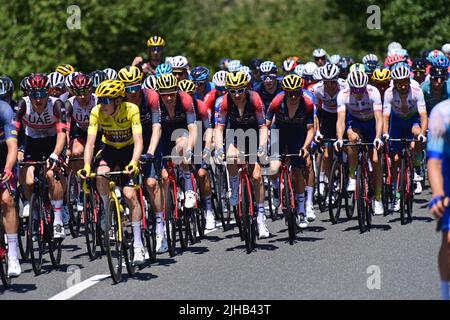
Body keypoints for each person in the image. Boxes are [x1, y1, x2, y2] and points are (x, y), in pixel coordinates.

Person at [78, 79, 145, 265]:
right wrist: (86, 166)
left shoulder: (131, 109)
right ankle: (107, 209)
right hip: (109, 149)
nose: (102, 104)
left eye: (106, 100)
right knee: (100, 175)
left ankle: (138, 244)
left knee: (130, 194)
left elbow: (139, 140)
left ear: (117, 100)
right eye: (100, 100)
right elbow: (90, 142)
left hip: (128, 151)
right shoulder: (96, 112)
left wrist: (133, 162)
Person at [214, 71, 270, 238]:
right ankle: (234, 185)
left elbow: (263, 127)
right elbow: (219, 129)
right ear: (228, 90)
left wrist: (262, 147)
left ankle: (260, 218)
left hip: (253, 131)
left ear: (246, 88)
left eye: (240, 90)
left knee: (257, 176)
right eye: (233, 90)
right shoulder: (224, 101)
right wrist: (218, 149)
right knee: (231, 156)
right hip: (234, 132)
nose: (237, 94)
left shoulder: (255, 99)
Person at [16, 73, 68, 238]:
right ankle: (35, 213)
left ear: (48, 92)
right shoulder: (23, 105)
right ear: (29, 94)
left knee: (52, 174)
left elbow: (62, 134)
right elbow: (15, 133)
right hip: (31, 141)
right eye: (34, 95)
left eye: (42, 94)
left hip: (53, 141)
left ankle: (58, 219)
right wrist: (17, 151)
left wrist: (55, 154)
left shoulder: (56, 105)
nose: (38, 100)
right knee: (29, 179)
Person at [266, 74, 315, 228]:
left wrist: (305, 147)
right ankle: (275, 190)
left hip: (297, 135)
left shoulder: (307, 104)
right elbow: (265, 125)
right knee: (273, 168)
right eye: (290, 93)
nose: (293, 96)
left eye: (296, 93)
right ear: (285, 93)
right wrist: (267, 142)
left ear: (301, 92)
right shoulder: (276, 102)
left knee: (298, 171)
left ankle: (301, 211)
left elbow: (311, 129)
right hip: (278, 133)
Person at [335, 70, 384, 215]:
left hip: (371, 122)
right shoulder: (343, 95)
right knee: (352, 139)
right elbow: (341, 120)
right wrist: (339, 138)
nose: (358, 92)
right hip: (355, 121)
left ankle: (378, 197)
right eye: (355, 89)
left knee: (375, 160)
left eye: (361, 89)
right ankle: (352, 175)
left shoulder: (373, 92)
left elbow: (379, 118)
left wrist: (378, 137)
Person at [383, 65, 428, 207]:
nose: (403, 86)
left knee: (416, 136)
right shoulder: (389, 93)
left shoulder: (416, 91)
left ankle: (416, 165)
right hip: (396, 123)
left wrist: (422, 133)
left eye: (405, 82)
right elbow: (385, 116)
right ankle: (396, 192)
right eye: (399, 83)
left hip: (412, 120)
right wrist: (384, 133)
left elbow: (423, 116)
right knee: (395, 159)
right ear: (394, 83)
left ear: (409, 81)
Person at [178, 79, 215, 229]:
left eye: (190, 95)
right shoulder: (176, 107)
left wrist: (207, 149)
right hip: (181, 140)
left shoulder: (200, 106)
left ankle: (209, 210)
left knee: (201, 174)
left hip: (199, 140)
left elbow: (209, 130)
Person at [427, 99, 450, 300]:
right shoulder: (441, 113)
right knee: (449, 239)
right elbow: (434, 160)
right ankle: (445, 294)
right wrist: (437, 193)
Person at [0, 98, 20, 277]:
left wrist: (8, 168)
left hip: (5, 158)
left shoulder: (4, 109)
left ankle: (13, 254)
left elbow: (12, 146)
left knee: (7, 200)